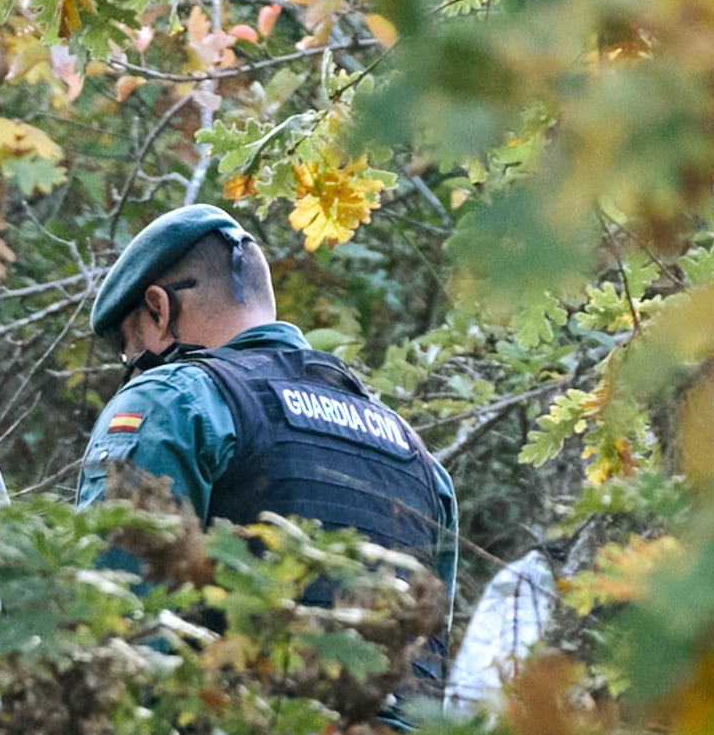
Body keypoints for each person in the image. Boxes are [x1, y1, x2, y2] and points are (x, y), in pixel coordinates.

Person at [74, 202, 459, 682]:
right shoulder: (414, 453)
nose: (135, 373)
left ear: (158, 308)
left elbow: (114, 622)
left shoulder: (175, 399)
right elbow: (426, 657)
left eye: (133, 355)